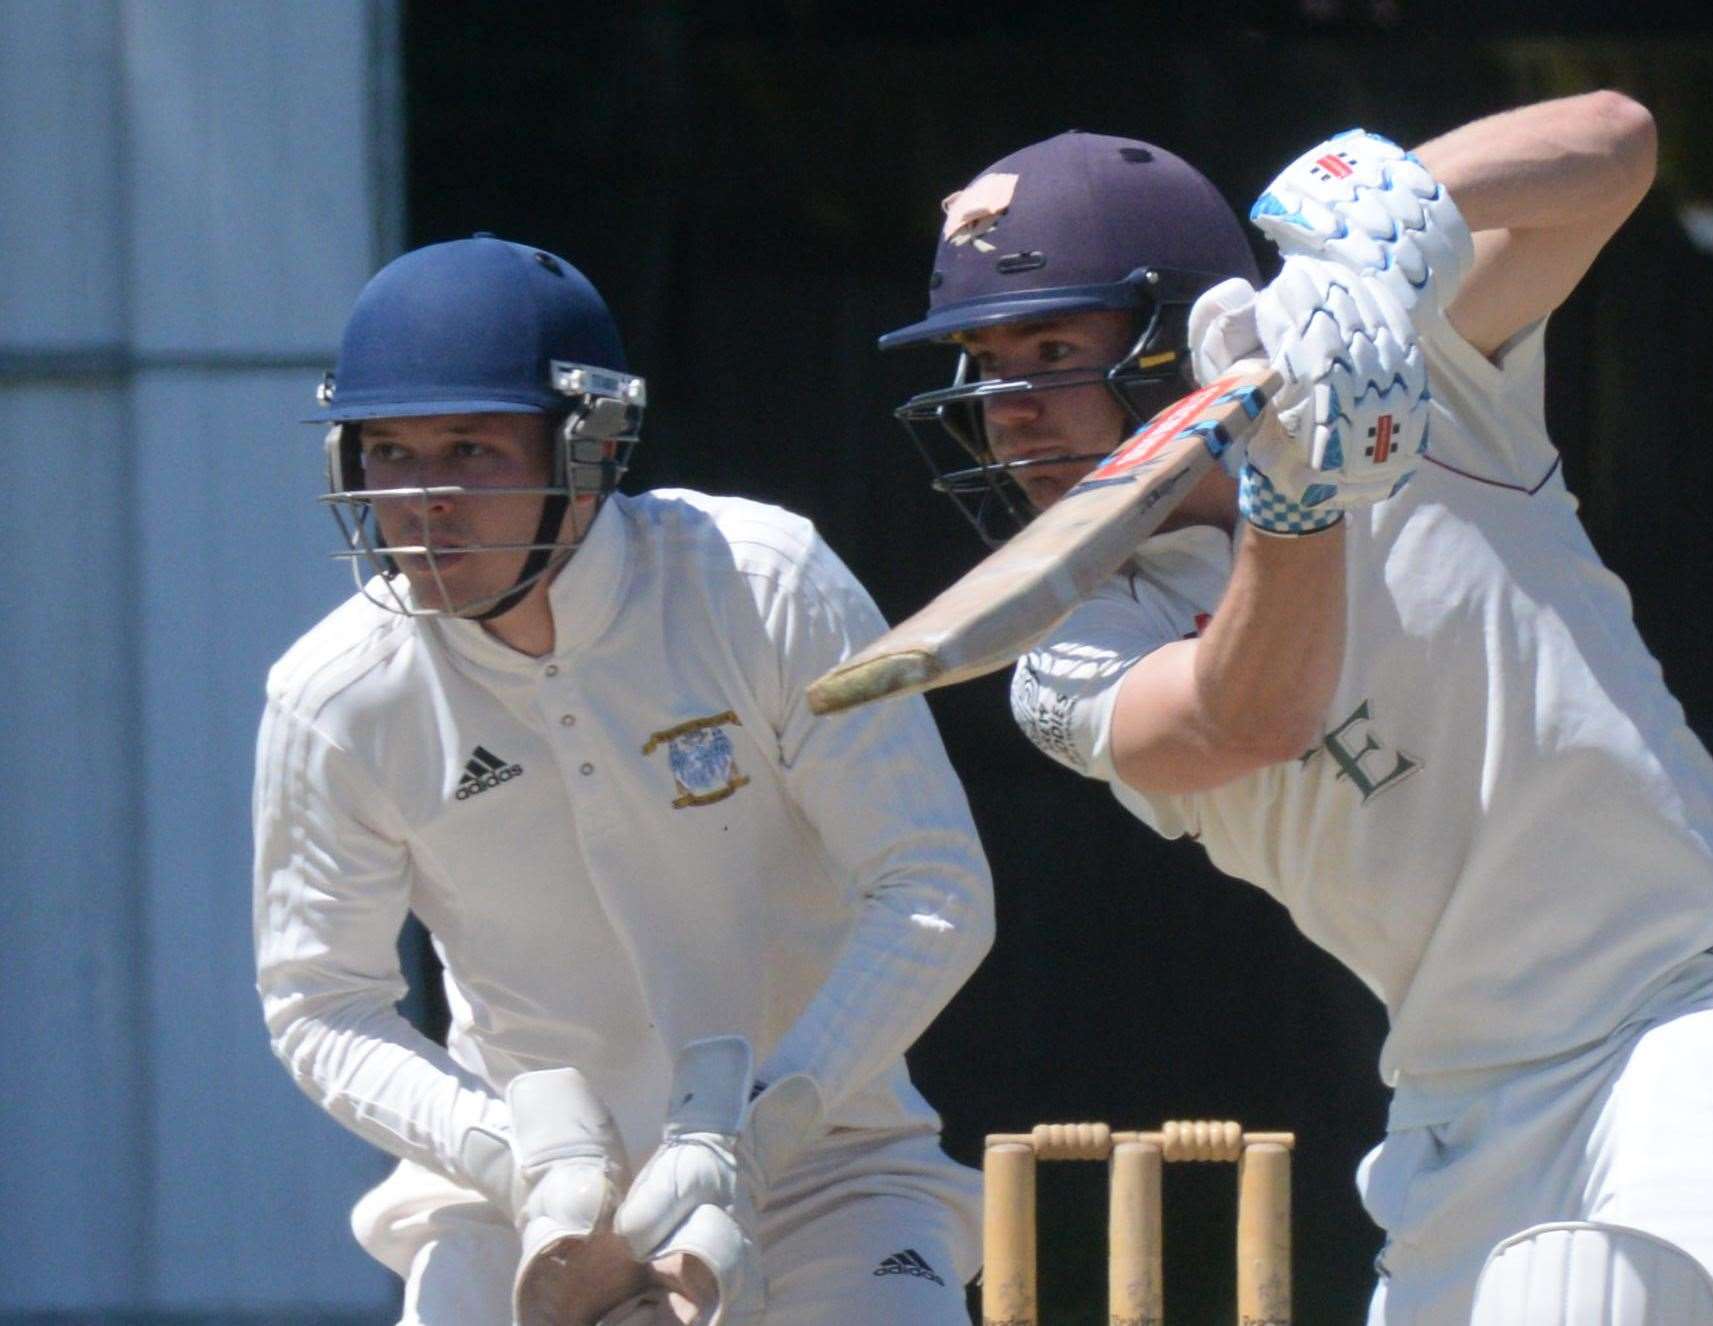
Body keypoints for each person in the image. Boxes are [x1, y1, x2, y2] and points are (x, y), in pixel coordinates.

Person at [882, 94, 1713, 1324]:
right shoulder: (1070, 646)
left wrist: (1373, 218)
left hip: (1681, 1012)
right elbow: (1240, 721)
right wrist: (1300, 491)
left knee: (1594, 1299)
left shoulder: (1421, 366)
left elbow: (1619, 144)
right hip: (1459, 1097)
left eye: (1052, 354)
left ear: (1177, 334)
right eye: (991, 370)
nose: (1010, 412)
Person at [252, 235, 993, 1326]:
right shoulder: (338, 694)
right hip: (524, 1203)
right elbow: (320, 1002)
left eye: (470, 447)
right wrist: (516, 1156)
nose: (420, 498)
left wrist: (758, 1130)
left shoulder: (758, 585)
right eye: (386, 450)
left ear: (591, 443)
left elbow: (933, 885)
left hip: (824, 1172)